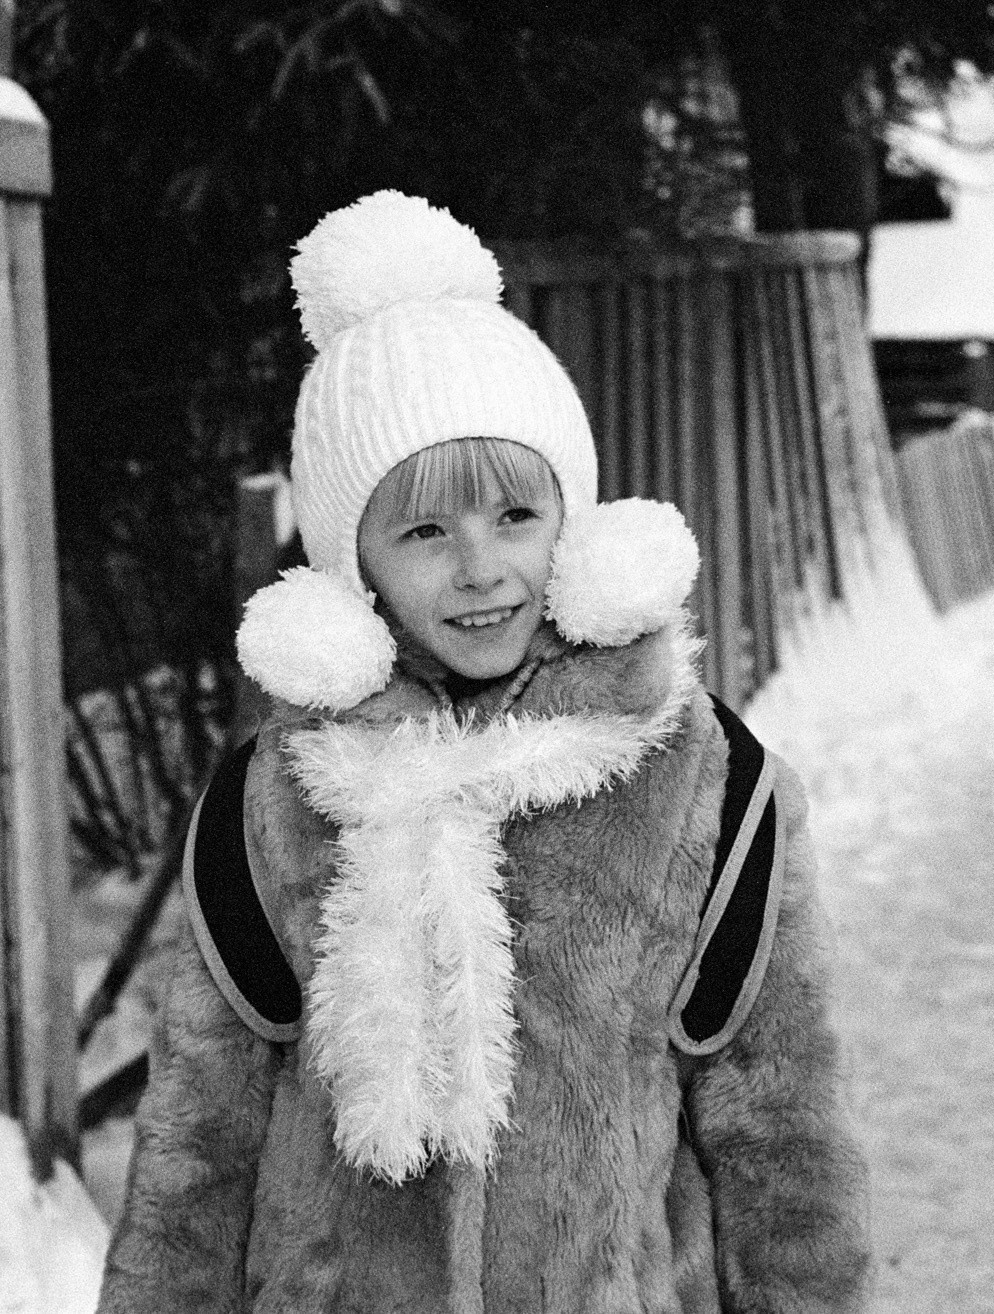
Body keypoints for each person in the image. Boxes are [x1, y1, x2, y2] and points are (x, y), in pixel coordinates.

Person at [95, 191, 870, 1312]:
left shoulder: (705, 787)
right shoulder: (277, 799)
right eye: (422, 531)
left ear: (574, 519)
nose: (479, 568)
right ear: (350, 564)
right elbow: (198, 1141)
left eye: (515, 516)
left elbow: (782, 1132)